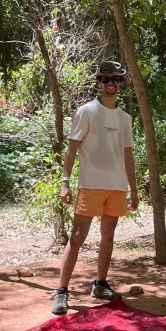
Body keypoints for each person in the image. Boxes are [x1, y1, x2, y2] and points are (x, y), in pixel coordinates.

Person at [51, 61, 139, 315]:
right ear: (99, 82)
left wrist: (133, 189)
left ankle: (100, 284)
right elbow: (72, 149)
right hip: (90, 184)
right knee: (77, 237)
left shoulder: (125, 118)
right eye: (106, 79)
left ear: (122, 83)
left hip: (116, 186)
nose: (110, 83)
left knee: (108, 236)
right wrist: (65, 182)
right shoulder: (86, 111)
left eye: (115, 79)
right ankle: (61, 291)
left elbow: (128, 154)